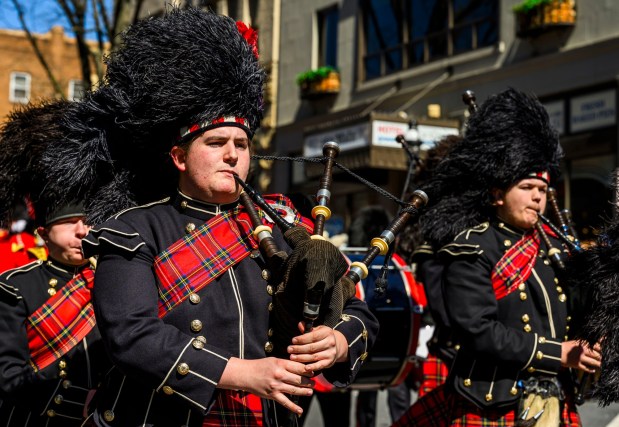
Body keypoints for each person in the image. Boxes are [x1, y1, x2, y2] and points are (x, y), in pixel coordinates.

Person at [42, 7, 379, 426]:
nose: (233, 153)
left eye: (241, 142)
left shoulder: (283, 224)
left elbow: (359, 311)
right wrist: (242, 373)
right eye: (216, 141)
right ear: (179, 156)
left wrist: (338, 342)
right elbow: (132, 337)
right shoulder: (134, 228)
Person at [393, 88, 601, 426]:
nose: (537, 198)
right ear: (497, 194)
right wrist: (558, 353)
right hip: (490, 400)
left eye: (542, 190)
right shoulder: (471, 246)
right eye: (526, 187)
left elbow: (574, 313)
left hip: (553, 396)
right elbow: (478, 330)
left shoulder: (555, 246)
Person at [0, 100, 109, 425]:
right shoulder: (14, 285)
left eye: (87, 221)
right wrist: (79, 404)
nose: (82, 232)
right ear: (44, 233)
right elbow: (7, 374)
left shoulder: (112, 276)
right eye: (70, 223)